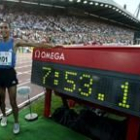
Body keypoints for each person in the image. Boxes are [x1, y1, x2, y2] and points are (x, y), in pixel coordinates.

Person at [0, 21, 53, 134]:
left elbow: (33, 44)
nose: (3, 29)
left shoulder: (15, 42)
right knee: (1, 101)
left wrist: (50, 46)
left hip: (10, 74)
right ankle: (4, 116)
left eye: (5, 27)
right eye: (1, 28)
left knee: (13, 101)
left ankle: (16, 122)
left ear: (9, 29)